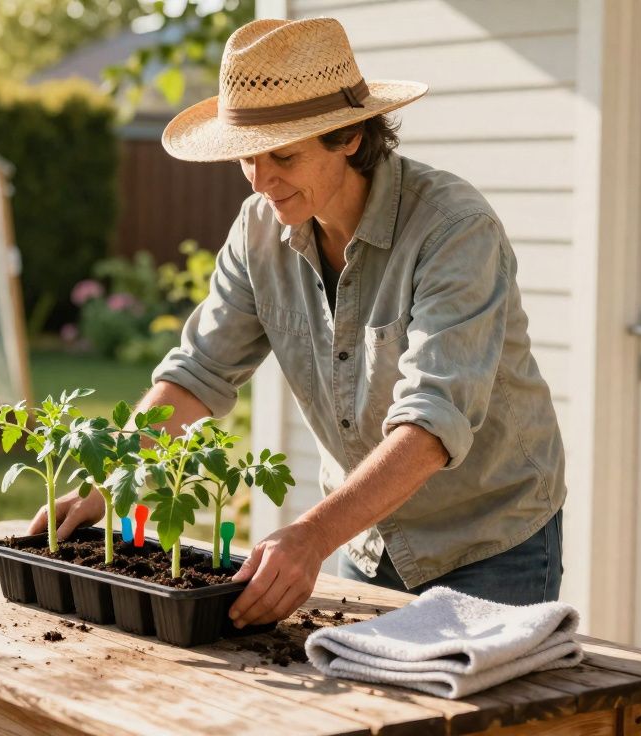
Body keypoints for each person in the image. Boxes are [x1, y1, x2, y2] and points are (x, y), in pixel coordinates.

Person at [29, 17, 567, 627]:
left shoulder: (453, 229)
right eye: (246, 159)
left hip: (489, 540)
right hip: (364, 537)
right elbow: (198, 372)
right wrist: (110, 482)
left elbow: (432, 420)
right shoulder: (259, 228)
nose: (260, 180)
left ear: (349, 137)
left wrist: (311, 536)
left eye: (282, 155)